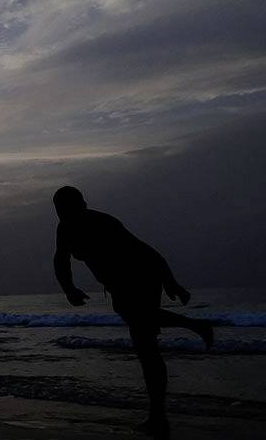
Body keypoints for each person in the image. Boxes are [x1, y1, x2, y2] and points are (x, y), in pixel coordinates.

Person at [52, 186, 214, 438]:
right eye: (60, 210)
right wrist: (69, 289)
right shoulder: (64, 229)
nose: (65, 214)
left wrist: (171, 282)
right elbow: (60, 261)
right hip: (119, 286)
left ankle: (159, 415)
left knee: (144, 340)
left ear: (82, 205)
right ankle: (158, 416)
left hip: (143, 276)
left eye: (71, 207)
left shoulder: (103, 223)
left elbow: (148, 252)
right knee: (145, 346)